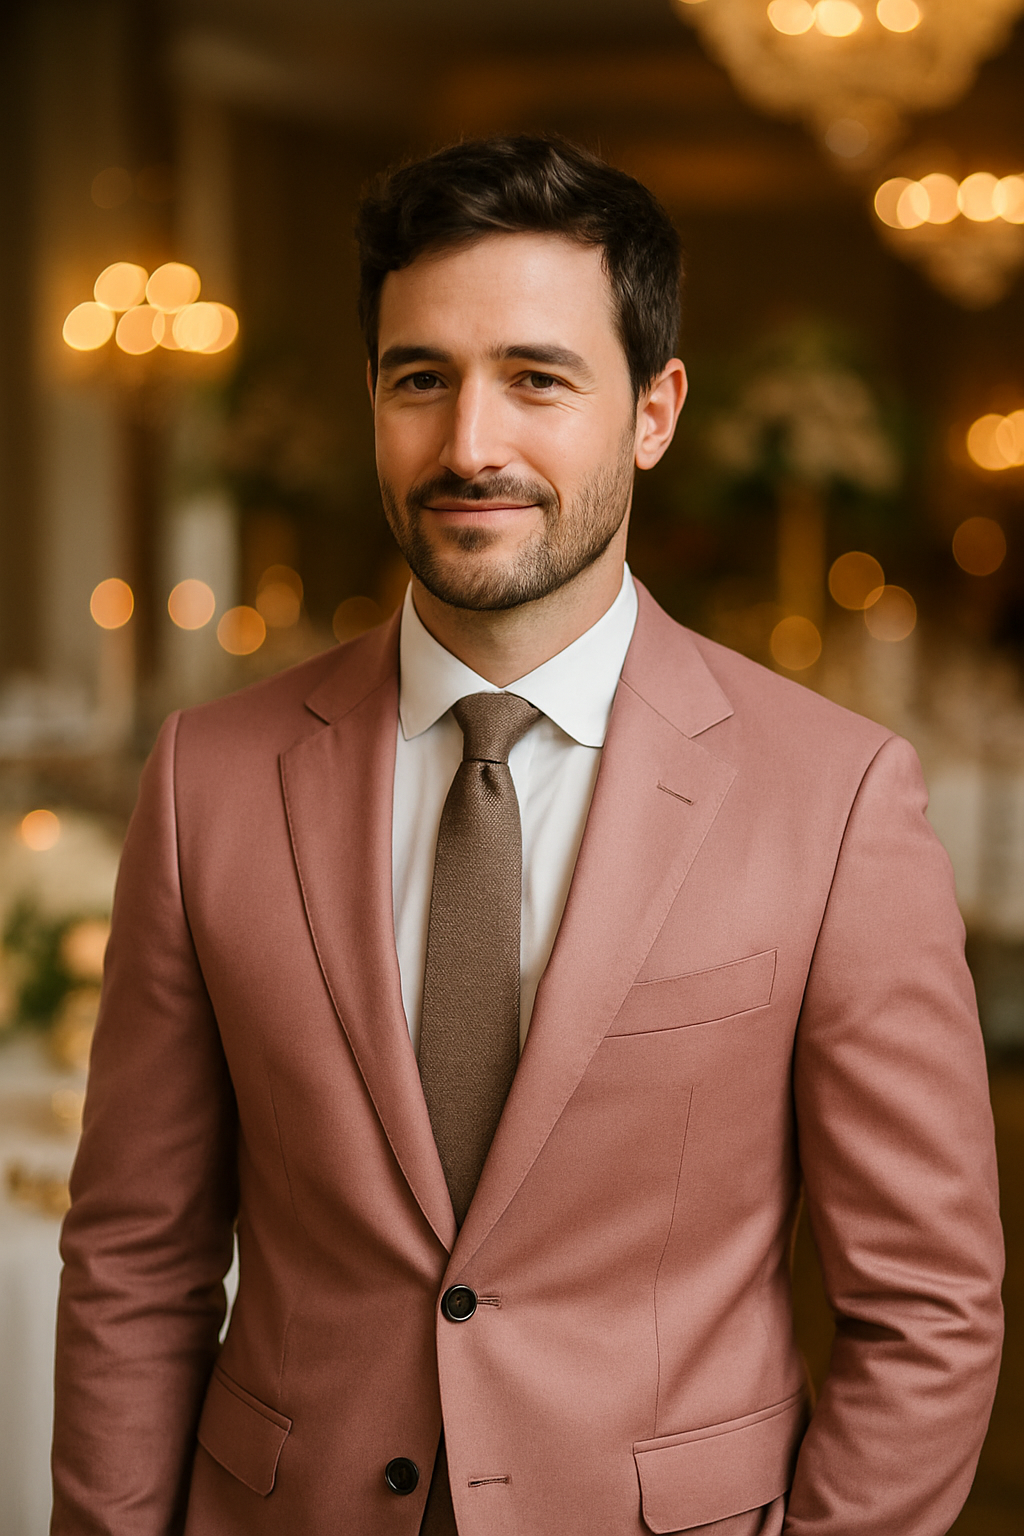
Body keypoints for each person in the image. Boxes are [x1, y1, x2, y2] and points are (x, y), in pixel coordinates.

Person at [52, 136, 1003, 1536]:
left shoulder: (838, 797)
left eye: (537, 379)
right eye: (419, 379)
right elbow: (136, 1259)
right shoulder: (210, 777)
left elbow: (926, 1308)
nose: (469, 445)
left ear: (655, 410)